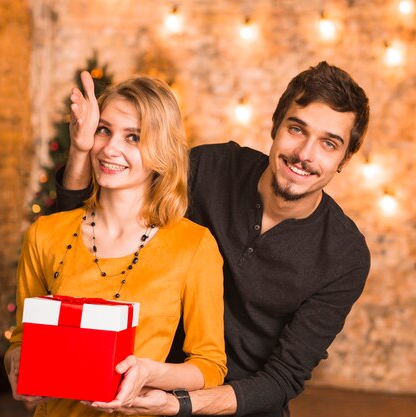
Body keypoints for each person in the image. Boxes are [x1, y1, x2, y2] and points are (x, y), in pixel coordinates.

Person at [57, 61, 370, 417]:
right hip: (144, 386)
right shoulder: (208, 169)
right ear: (275, 126)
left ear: (345, 158)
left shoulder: (345, 255)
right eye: (297, 129)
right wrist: (81, 150)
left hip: (238, 408)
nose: (305, 154)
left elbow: (283, 377)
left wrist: (180, 405)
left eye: (329, 144)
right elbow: (92, 225)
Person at [5, 75, 227, 417]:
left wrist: (153, 374)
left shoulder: (194, 246)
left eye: (133, 137)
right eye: (104, 130)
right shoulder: (44, 234)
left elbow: (209, 365)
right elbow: (20, 340)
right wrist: (16, 363)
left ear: (161, 152)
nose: (110, 148)